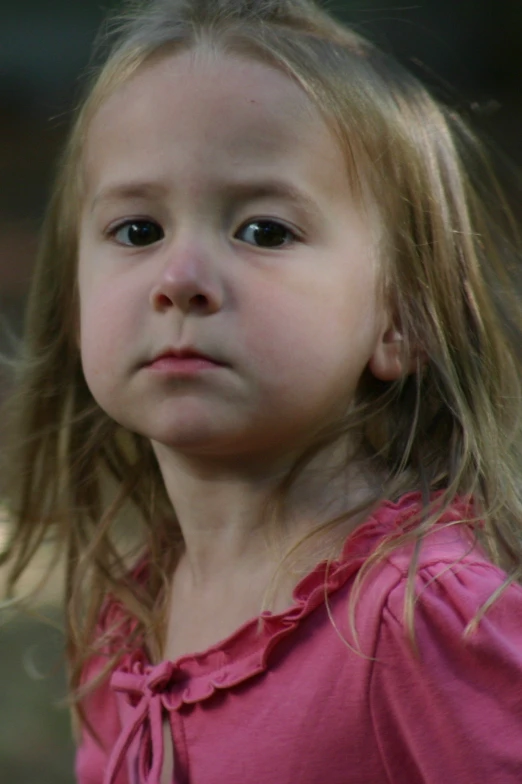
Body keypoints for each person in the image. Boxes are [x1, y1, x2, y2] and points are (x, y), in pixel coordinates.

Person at [2, 0, 522, 781]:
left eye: (265, 231)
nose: (180, 280)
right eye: (137, 231)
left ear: (403, 319)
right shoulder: (129, 614)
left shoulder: (428, 620)